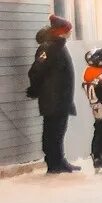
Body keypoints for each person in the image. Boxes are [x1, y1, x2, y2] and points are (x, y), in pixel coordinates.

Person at [25, 14, 78, 173]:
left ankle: (59, 160)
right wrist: (35, 89)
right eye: (68, 30)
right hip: (53, 99)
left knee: (58, 130)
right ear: (62, 31)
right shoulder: (48, 47)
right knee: (53, 131)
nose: (70, 33)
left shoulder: (58, 45)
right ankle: (53, 163)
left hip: (60, 98)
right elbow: (35, 71)